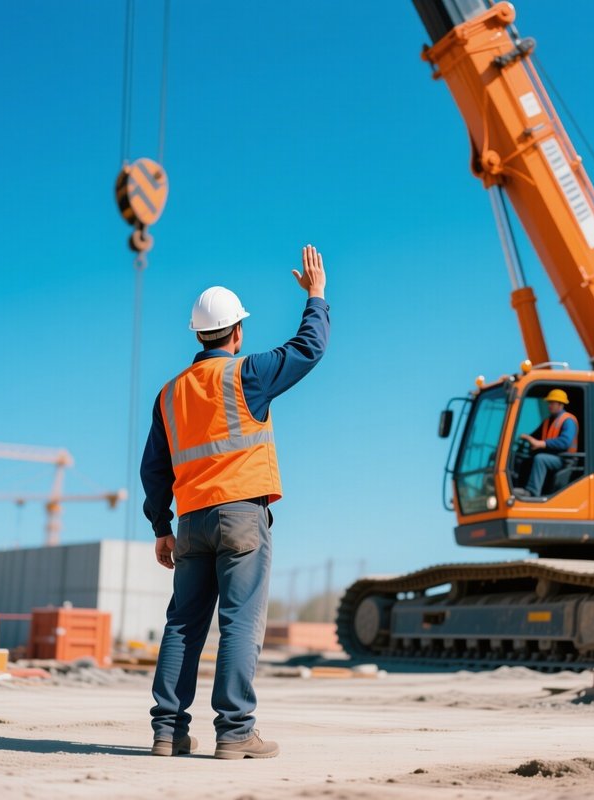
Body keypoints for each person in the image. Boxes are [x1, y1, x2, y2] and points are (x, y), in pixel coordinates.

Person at [140, 244, 329, 759]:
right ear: (237, 332)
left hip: (193, 520)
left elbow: (153, 468)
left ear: (199, 334)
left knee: (183, 622)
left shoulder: (170, 392)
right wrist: (316, 295)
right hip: (243, 516)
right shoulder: (247, 374)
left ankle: (167, 731)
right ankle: (235, 732)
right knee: (239, 622)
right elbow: (309, 347)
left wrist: (162, 526)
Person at [516, 388, 578, 497]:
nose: (549, 405)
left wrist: (541, 444)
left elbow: (565, 442)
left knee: (540, 459)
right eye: (549, 402)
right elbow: (534, 436)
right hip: (553, 456)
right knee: (525, 458)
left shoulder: (568, 420)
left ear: (560, 404)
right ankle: (519, 487)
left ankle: (532, 492)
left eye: (552, 403)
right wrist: (525, 437)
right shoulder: (548, 421)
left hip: (565, 459)